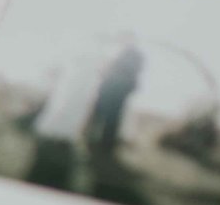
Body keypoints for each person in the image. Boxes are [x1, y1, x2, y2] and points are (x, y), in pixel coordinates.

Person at [26, 51, 102, 192]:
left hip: (78, 93)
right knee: (63, 108)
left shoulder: (89, 70)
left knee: (69, 111)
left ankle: (59, 139)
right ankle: (56, 138)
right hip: (72, 90)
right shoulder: (79, 66)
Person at [86, 36, 145, 159]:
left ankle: (106, 144)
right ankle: (92, 137)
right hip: (109, 85)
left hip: (119, 89)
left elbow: (133, 72)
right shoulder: (119, 51)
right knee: (99, 112)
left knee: (112, 117)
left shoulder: (136, 55)